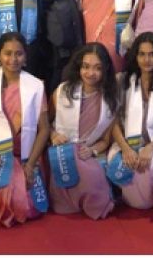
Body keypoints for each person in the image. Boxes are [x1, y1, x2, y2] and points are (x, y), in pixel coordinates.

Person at [0, 32, 50, 227]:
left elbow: (44, 129)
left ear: (25, 56)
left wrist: (30, 164)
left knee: (27, 203)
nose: (13, 59)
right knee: (2, 190)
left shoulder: (36, 86)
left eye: (19, 54)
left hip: (27, 155)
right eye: (7, 53)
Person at [110, 32, 153, 209]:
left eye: (152, 54)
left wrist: (150, 148)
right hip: (124, 146)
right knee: (137, 199)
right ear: (135, 56)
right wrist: (126, 149)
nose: (146, 60)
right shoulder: (122, 81)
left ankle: (138, 193)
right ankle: (132, 192)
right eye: (142, 54)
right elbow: (114, 123)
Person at [48, 42, 118, 219]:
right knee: (86, 172)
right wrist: (54, 135)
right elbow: (45, 124)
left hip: (87, 152)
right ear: (79, 67)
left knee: (92, 175)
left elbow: (105, 141)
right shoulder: (62, 91)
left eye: (97, 68)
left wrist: (92, 150)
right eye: (86, 67)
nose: (90, 73)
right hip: (61, 150)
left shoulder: (111, 100)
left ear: (105, 69)